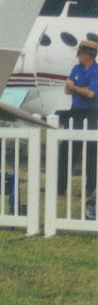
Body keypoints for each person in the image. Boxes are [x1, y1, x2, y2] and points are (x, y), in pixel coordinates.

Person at [57, 38, 98, 213]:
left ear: (87, 54)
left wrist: (74, 86)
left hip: (91, 113)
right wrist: (74, 88)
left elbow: (91, 94)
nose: (78, 55)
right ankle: (60, 186)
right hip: (75, 111)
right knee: (67, 149)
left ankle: (89, 188)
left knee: (90, 151)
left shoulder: (96, 71)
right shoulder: (77, 68)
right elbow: (67, 89)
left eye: (80, 52)